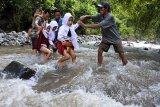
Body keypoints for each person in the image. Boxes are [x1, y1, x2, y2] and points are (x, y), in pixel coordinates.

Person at [78, 2, 128, 66]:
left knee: (121, 54)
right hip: (106, 38)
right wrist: (85, 16)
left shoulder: (110, 17)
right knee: (99, 51)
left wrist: (84, 25)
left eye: (101, 8)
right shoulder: (100, 15)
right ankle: (99, 66)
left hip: (115, 38)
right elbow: (91, 17)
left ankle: (126, 67)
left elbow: (98, 26)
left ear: (106, 8)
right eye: (99, 8)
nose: (100, 9)